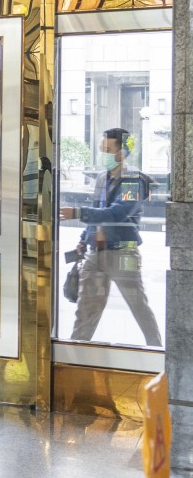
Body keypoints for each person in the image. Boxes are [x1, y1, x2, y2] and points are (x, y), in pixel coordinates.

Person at [59, 127, 162, 347]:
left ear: (122, 152)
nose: (102, 154)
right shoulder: (101, 179)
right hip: (95, 254)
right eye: (101, 149)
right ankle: (76, 357)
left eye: (107, 149)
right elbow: (98, 209)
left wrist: (78, 213)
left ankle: (157, 351)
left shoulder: (134, 181)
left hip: (123, 252)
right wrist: (83, 239)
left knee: (138, 306)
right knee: (86, 309)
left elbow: (117, 213)